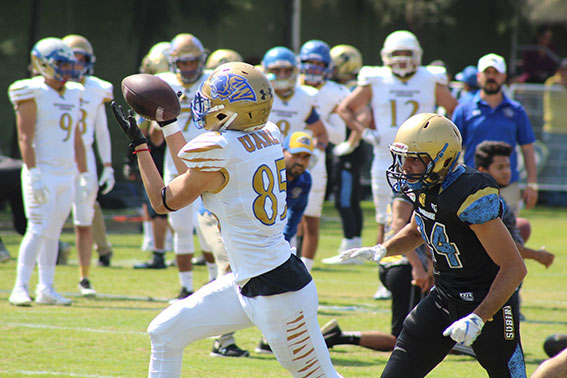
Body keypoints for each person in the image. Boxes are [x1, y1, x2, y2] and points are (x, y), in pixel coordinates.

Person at [111, 62, 340, 377]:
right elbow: (196, 175)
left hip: (278, 294)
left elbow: (163, 201)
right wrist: (169, 125)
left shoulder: (220, 149)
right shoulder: (268, 133)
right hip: (251, 280)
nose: (206, 103)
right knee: (164, 333)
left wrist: (140, 146)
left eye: (216, 97)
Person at [339, 113, 528, 378]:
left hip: (489, 304)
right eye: (404, 157)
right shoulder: (427, 185)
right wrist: (382, 249)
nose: (406, 166)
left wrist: (479, 317)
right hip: (443, 298)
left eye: (416, 159)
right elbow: (418, 230)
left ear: (443, 158)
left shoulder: (469, 195)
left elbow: (514, 268)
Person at [335, 30, 458, 248]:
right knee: (384, 216)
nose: (402, 58)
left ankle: (421, 269)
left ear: (417, 54)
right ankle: (387, 269)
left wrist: (442, 135)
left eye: (406, 52)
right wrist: (363, 133)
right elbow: (345, 109)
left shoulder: (430, 77)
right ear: (386, 55)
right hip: (386, 153)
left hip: (424, 156)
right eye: (397, 52)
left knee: (428, 212)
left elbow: (454, 110)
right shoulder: (377, 78)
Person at [8, 37, 90, 306]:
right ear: (41, 64)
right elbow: (25, 138)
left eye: (69, 65)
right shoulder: (31, 91)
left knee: (54, 232)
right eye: (61, 64)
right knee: (38, 228)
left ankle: (46, 288)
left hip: (67, 173)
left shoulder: (75, 92)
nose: (67, 70)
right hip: (42, 172)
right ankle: (20, 287)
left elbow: (77, 138)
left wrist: (84, 173)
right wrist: (32, 172)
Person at [154, 33, 217, 299]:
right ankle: (186, 286)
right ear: (174, 62)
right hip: (175, 165)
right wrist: (159, 115)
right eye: (184, 62)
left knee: (208, 231)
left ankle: (216, 282)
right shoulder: (164, 84)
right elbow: (156, 137)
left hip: (207, 165)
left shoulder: (213, 81)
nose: (189, 68)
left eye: (193, 62)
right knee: (181, 228)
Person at [261, 45, 328, 267]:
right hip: (261, 163)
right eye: (275, 70)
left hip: (291, 165)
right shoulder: (258, 93)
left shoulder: (304, 97)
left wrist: (314, 153)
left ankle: (293, 265)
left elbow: (321, 133)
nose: (281, 75)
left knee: (297, 216)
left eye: (286, 70)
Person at [452, 53, 538, 215]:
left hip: (507, 184)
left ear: (504, 77)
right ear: (479, 76)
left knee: (510, 233)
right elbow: (453, 147)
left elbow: (527, 148)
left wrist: (532, 184)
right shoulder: (463, 109)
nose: (491, 77)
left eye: (496, 73)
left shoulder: (516, 110)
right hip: (471, 182)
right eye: (487, 73)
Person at [62, 34, 115, 295]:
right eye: (69, 60)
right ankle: (40, 280)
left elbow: (101, 130)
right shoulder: (49, 87)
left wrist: (107, 165)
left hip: (85, 163)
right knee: (47, 224)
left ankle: (84, 278)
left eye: (79, 59)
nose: (74, 65)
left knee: (84, 222)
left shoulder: (97, 87)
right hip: (57, 159)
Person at [297, 39, 349, 271]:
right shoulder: (290, 88)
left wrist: (316, 122)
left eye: (319, 63)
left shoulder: (336, 92)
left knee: (310, 220)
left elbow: (339, 136)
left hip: (315, 159)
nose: (314, 68)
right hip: (283, 158)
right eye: (309, 62)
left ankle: (304, 270)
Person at [475, 141, 555, 268]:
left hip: (505, 274)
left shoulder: (497, 197)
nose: (507, 171)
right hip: (492, 278)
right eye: (500, 167)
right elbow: (500, 244)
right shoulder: (485, 205)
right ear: (483, 170)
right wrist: (537, 255)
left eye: (508, 166)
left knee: (523, 225)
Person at [322, 44, 367, 258]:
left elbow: (363, 117)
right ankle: (353, 242)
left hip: (351, 151)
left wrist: (352, 142)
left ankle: (351, 245)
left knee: (345, 200)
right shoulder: (339, 87)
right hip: (347, 149)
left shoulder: (354, 88)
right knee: (348, 199)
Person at [540, 58, 567, 206]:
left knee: (564, 168)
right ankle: (553, 199)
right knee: (554, 167)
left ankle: (563, 199)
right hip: (554, 131)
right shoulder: (552, 83)